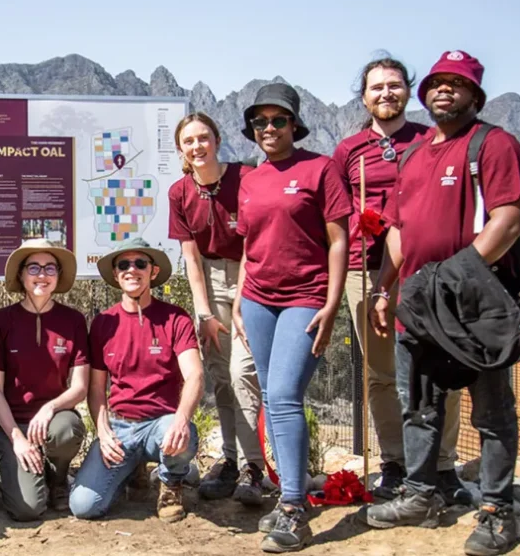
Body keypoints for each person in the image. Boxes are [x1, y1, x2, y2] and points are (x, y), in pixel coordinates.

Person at [363, 51, 520, 556]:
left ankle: (499, 512)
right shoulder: (414, 156)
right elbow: (398, 230)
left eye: (457, 84)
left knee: (491, 410)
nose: (444, 90)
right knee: (420, 404)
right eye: (437, 82)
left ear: (475, 95)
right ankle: (420, 494)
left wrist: (456, 275)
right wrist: (385, 287)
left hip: (476, 300)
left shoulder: (492, 144)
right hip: (418, 301)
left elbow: (509, 220)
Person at [332, 57, 469, 503]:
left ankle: (442, 465)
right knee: (381, 373)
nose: (385, 93)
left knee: (440, 367)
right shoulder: (349, 150)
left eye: (394, 85)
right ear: (364, 95)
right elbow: (334, 212)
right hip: (363, 267)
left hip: (425, 268)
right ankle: (394, 460)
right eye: (376, 87)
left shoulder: (432, 141)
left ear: (408, 91)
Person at [233, 83, 350, 552]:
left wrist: (332, 303)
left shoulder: (320, 168)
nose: (268, 128)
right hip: (259, 299)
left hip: (306, 296)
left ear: (294, 125)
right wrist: (241, 298)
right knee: (269, 393)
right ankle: (287, 495)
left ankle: (295, 508)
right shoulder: (250, 179)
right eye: (260, 122)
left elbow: (339, 239)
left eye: (277, 120)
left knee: (282, 395)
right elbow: (249, 243)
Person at [69, 238, 203, 523]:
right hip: (121, 427)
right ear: (116, 275)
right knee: (83, 506)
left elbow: (195, 375)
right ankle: (130, 471)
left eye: (140, 263)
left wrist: (181, 418)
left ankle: (171, 483)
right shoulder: (103, 324)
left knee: (183, 436)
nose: (132, 270)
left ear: (153, 272)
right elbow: (96, 390)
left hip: (162, 424)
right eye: (124, 265)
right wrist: (103, 432)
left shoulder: (175, 318)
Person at [168, 112, 264, 504]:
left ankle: (253, 467)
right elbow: (190, 259)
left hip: (249, 275)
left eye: (203, 138)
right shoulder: (179, 192)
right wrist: (203, 314)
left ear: (217, 140)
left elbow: (253, 245)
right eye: (188, 141)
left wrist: (240, 301)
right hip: (207, 281)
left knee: (244, 372)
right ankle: (229, 460)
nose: (197, 147)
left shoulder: (245, 179)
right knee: (222, 376)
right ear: (181, 150)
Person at [0, 239, 89, 521]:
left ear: (58, 275)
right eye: (33, 267)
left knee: (66, 430)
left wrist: (50, 408)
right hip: (13, 425)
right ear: (21, 275)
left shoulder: (73, 320)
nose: (41, 275)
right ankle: (7, 464)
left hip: (54, 421)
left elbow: (80, 387)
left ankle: (58, 478)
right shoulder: (2, 321)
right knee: (27, 510)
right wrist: (17, 438)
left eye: (49, 268)